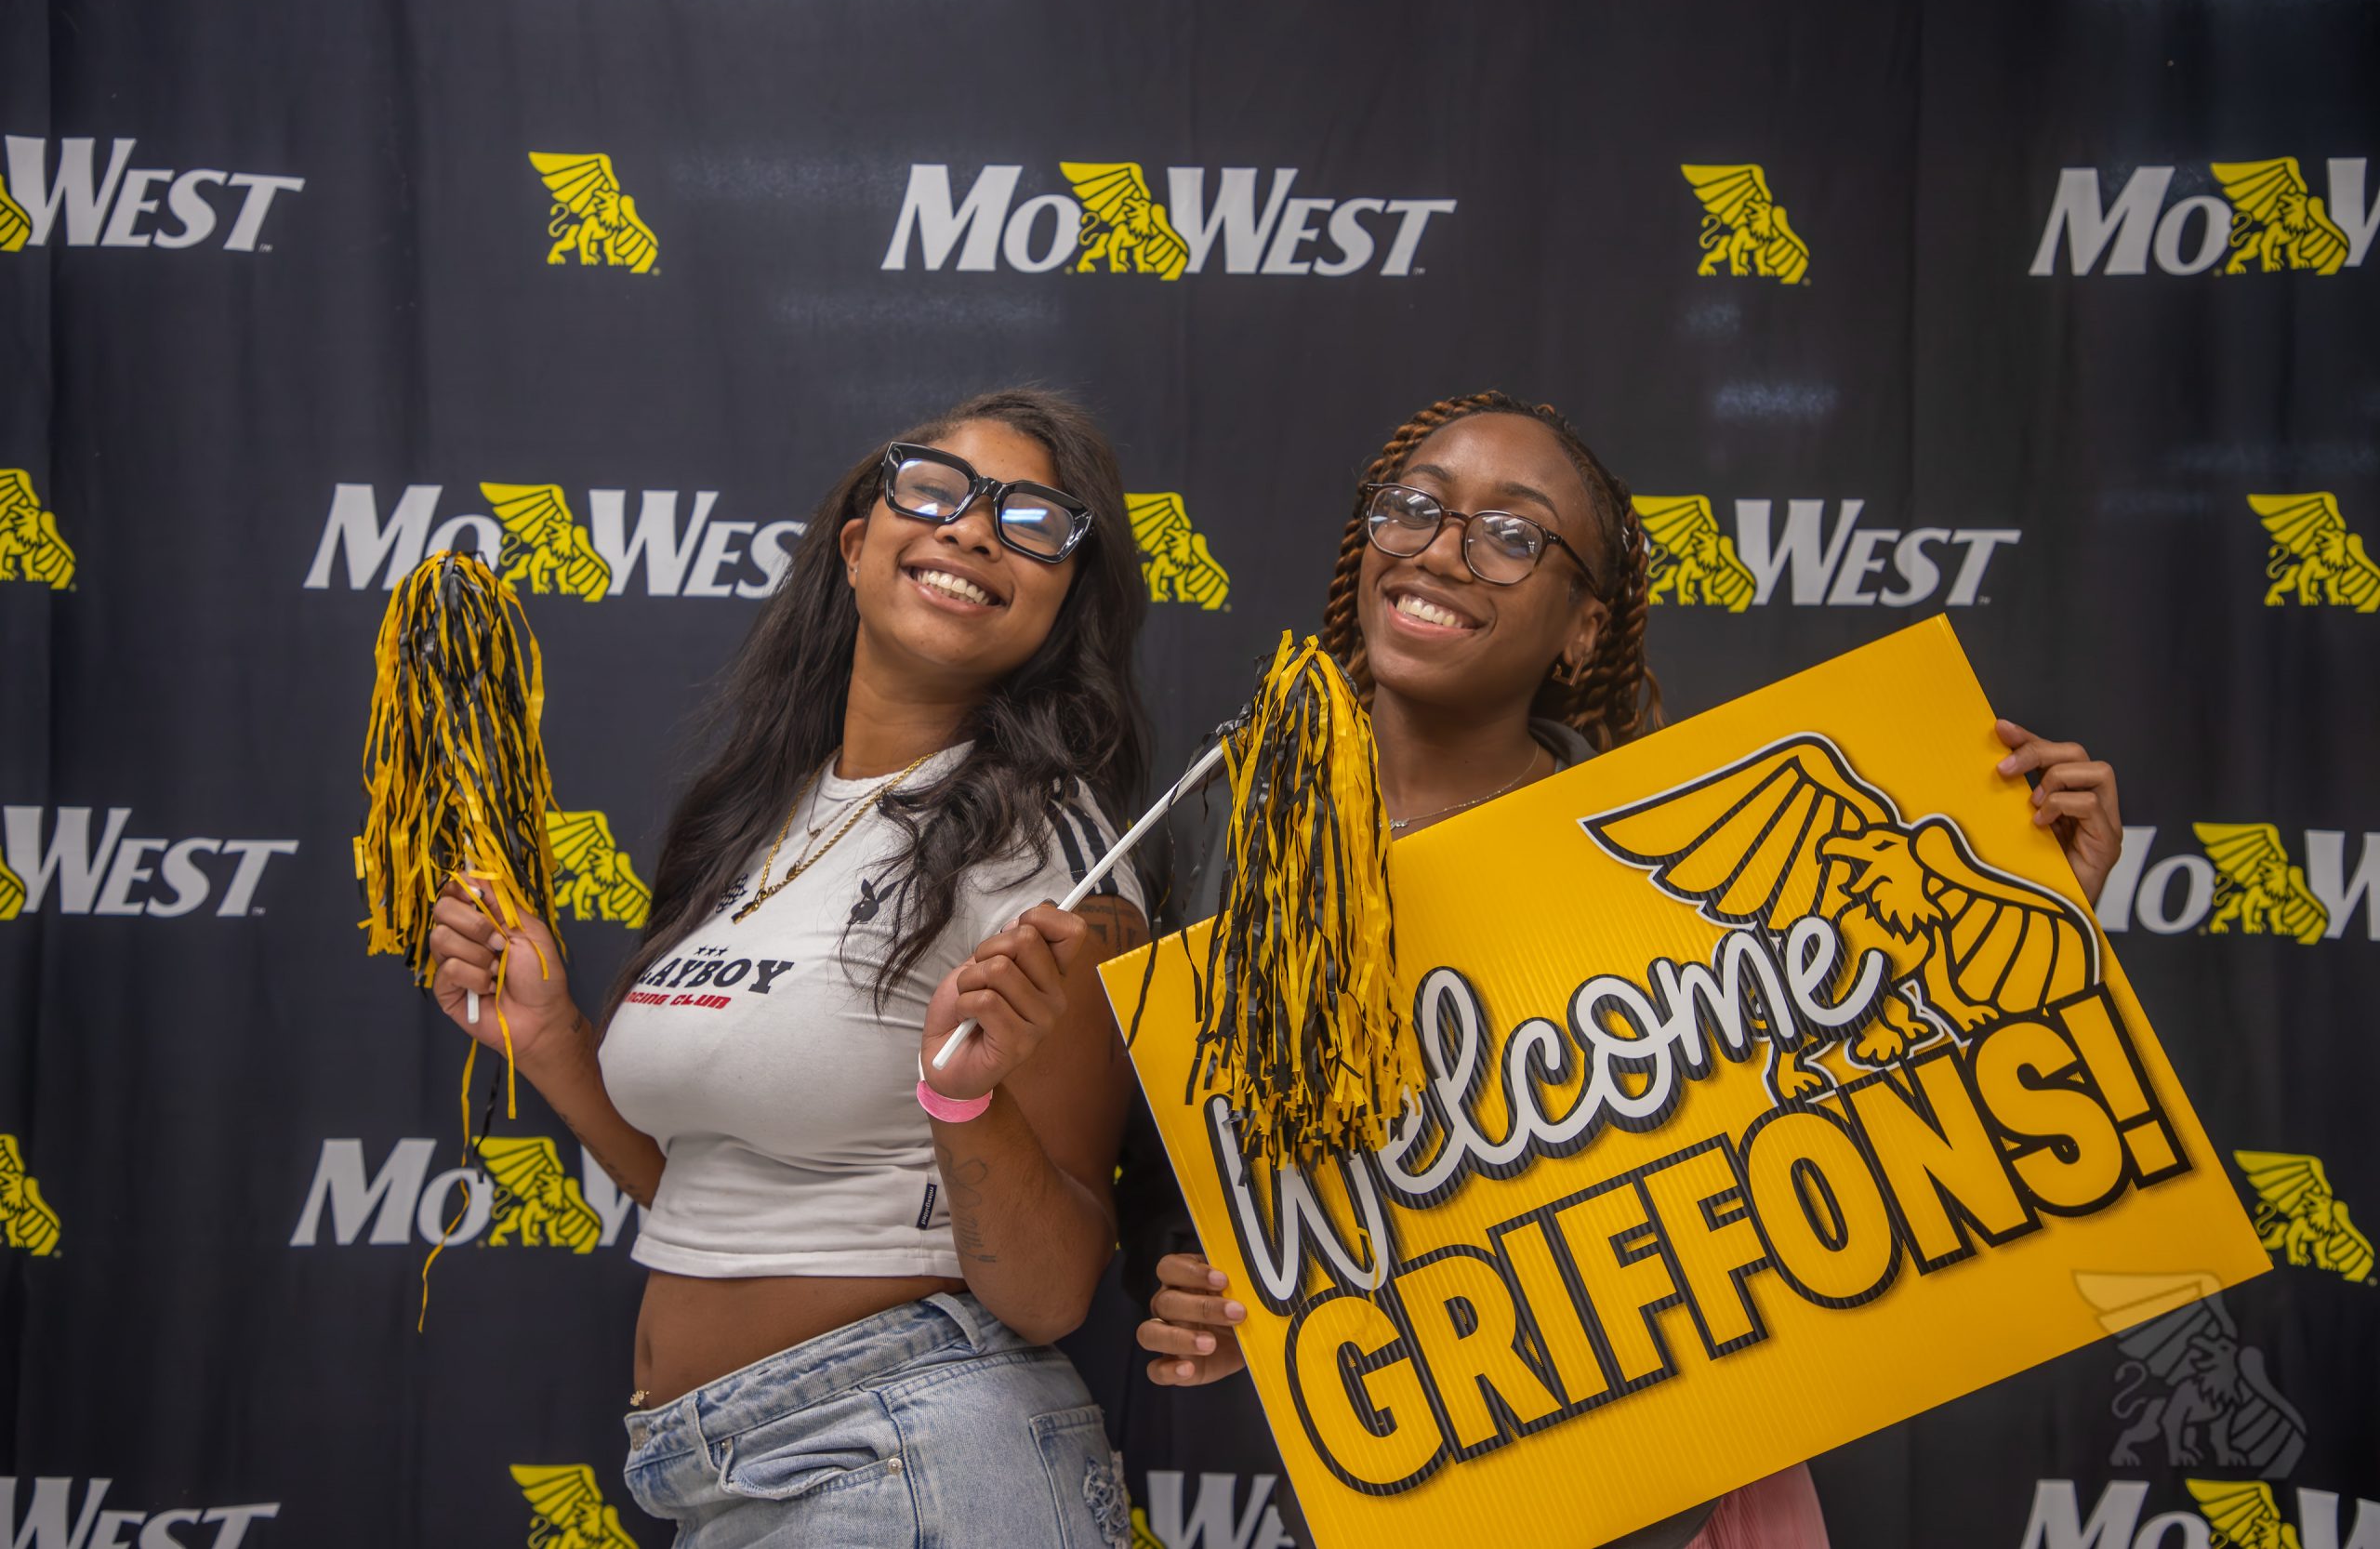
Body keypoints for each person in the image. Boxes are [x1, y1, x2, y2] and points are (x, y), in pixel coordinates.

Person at [1128, 391, 2125, 1549]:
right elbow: (1176, 1171)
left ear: (1584, 630)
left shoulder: (1668, 857)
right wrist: (1184, 1285)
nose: (1444, 549)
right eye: (1415, 508)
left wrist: (2039, 906)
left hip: (1687, 1499)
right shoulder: (1233, 831)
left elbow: (1880, 1106)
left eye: (1511, 533)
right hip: (1419, 1485)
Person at [430, 389, 1152, 1546]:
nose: (971, 529)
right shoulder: (753, 821)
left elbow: (1054, 1285)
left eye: (1029, 523)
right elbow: (723, 1207)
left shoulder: (1043, 848)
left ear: (1062, 608)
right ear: (857, 544)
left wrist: (957, 1099)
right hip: (712, 1475)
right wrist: (555, 1042)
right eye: (935, 490)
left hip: (915, 1454)